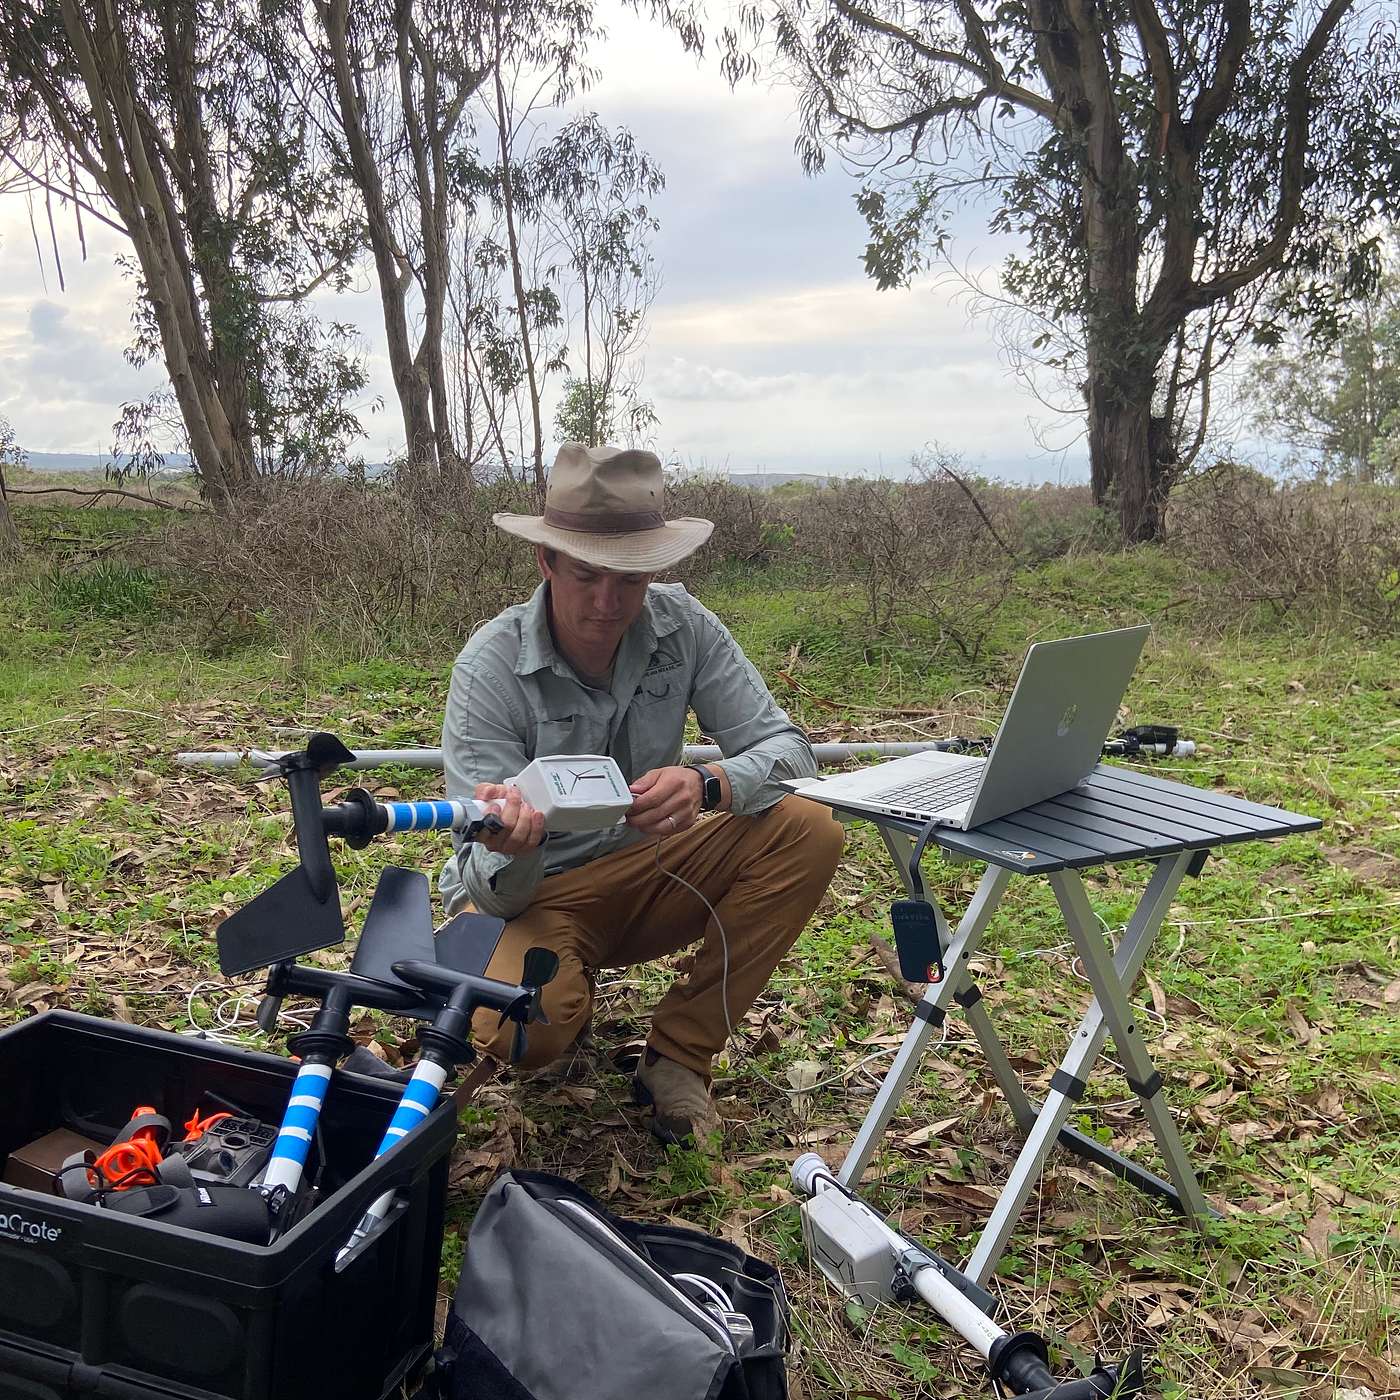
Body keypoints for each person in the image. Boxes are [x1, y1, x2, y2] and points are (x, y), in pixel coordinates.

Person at [439, 442, 843, 1146]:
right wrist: (514, 846)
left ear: (653, 569)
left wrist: (708, 781)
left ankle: (679, 1056)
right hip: (535, 894)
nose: (606, 603)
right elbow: (491, 887)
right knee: (519, 1030)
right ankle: (558, 985)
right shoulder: (490, 666)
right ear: (547, 562)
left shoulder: (684, 627)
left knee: (810, 829)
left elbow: (790, 751)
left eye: (628, 579)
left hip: (651, 863)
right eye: (586, 576)